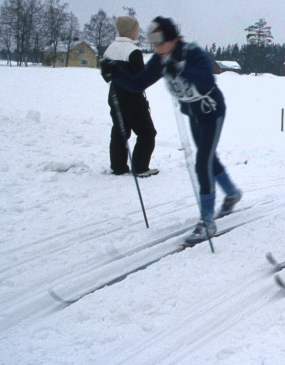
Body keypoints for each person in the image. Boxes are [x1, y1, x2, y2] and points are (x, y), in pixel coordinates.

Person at [101, 17, 242, 245]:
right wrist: (116, 72)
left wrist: (181, 69)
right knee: (208, 159)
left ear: (173, 39)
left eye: (160, 43)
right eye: (154, 44)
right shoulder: (160, 59)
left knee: (202, 161)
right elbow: (139, 83)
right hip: (194, 114)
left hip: (211, 111)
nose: (156, 49)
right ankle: (232, 193)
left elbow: (206, 81)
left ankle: (207, 221)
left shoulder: (191, 53)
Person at [101, 16, 157, 177]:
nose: (137, 32)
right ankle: (140, 167)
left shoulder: (109, 49)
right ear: (131, 31)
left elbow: (106, 76)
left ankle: (118, 167)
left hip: (115, 97)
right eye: (136, 29)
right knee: (147, 133)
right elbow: (140, 79)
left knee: (120, 131)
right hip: (133, 99)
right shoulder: (133, 51)